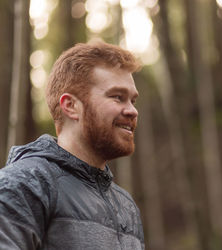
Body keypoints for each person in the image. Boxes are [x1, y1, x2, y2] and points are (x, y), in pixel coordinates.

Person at [0, 41, 144, 249]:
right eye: (118, 97)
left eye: (133, 101)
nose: (132, 110)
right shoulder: (23, 186)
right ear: (71, 106)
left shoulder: (126, 206)